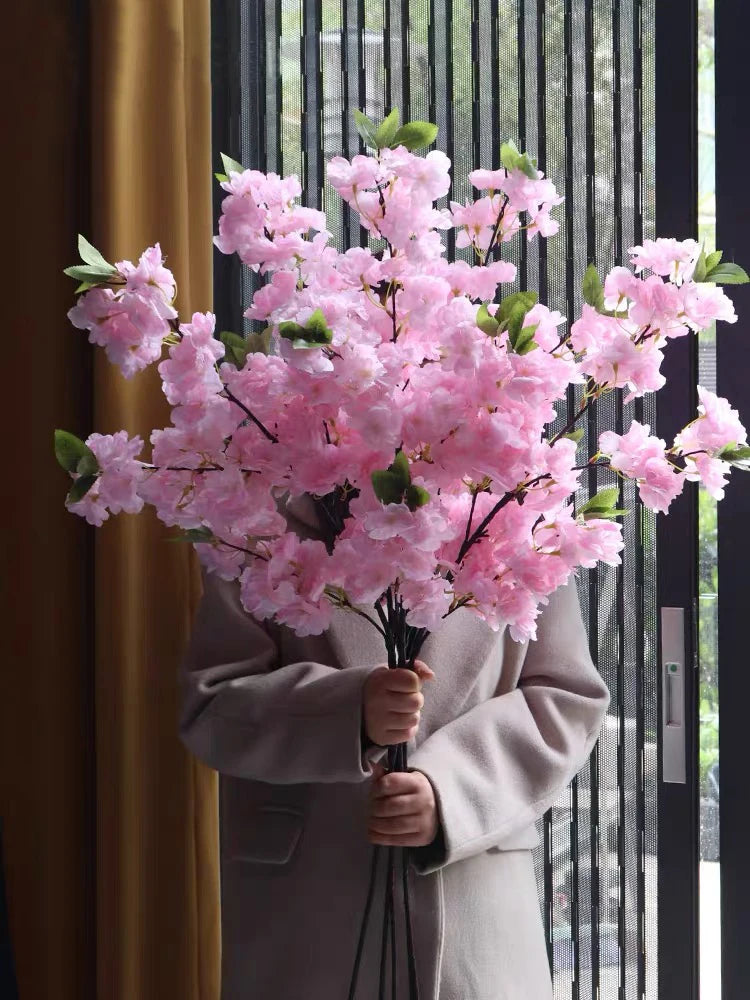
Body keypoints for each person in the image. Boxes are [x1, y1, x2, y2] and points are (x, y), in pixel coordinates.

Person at [178, 494, 610, 999]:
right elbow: (211, 709)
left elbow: (566, 698)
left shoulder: (523, 513)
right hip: (308, 918)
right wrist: (348, 712)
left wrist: (450, 792)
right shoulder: (257, 518)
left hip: (476, 914)